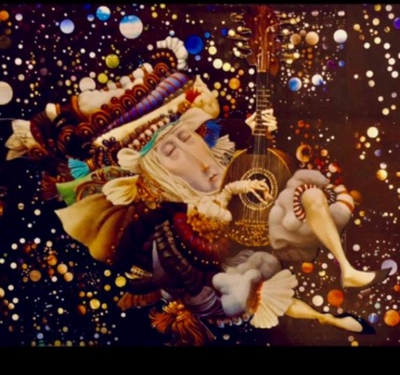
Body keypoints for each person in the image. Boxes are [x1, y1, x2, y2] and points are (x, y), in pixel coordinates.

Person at [4, 36, 388, 345]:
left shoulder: (237, 161)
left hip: (271, 238)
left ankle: (346, 268)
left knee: (308, 197)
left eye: (188, 137)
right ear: (150, 174)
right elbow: (209, 289)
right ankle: (324, 316)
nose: (196, 158)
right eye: (170, 151)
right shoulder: (167, 234)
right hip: (227, 281)